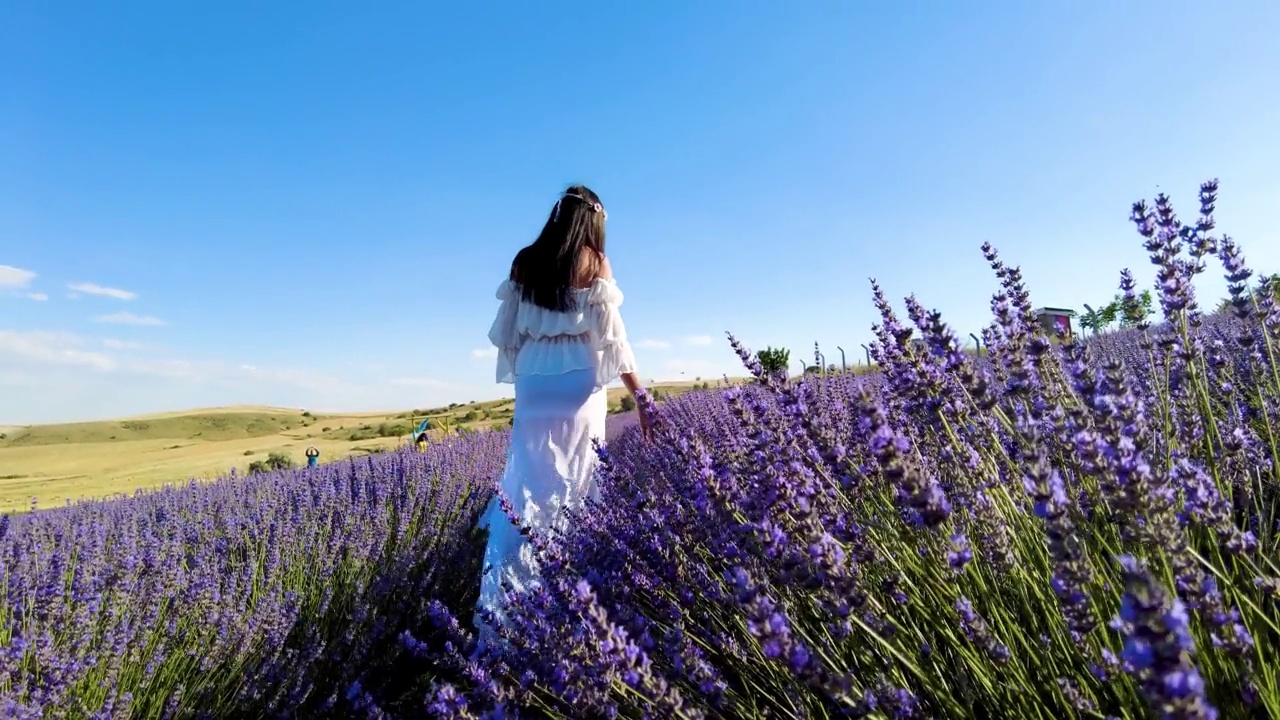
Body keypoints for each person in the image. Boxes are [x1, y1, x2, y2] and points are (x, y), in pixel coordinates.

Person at [475, 184, 648, 647]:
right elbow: (615, 341)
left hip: (534, 385)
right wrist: (641, 398)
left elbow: (509, 336)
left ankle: (507, 612)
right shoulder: (595, 261)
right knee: (577, 482)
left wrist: (535, 365)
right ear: (592, 221)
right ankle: (571, 605)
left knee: (527, 488)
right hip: (580, 386)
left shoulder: (525, 260)